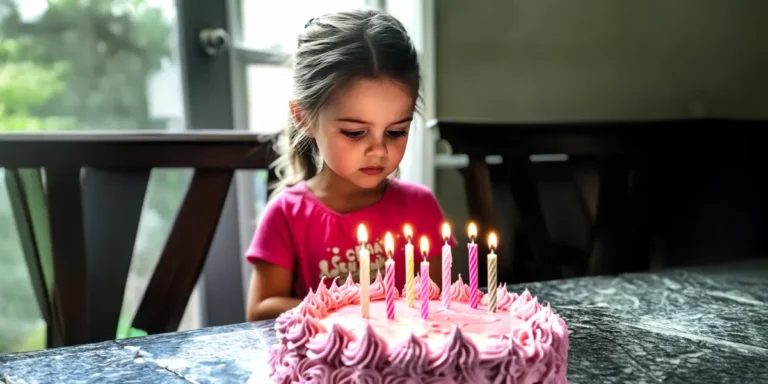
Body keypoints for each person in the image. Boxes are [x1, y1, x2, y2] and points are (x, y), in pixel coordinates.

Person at [245, 9, 455, 321]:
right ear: (304, 117)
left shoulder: (420, 207)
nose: (378, 150)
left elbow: (439, 303)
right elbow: (260, 311)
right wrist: (349, 307)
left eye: (396, 132)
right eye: (355, 133)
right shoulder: (287, 216)